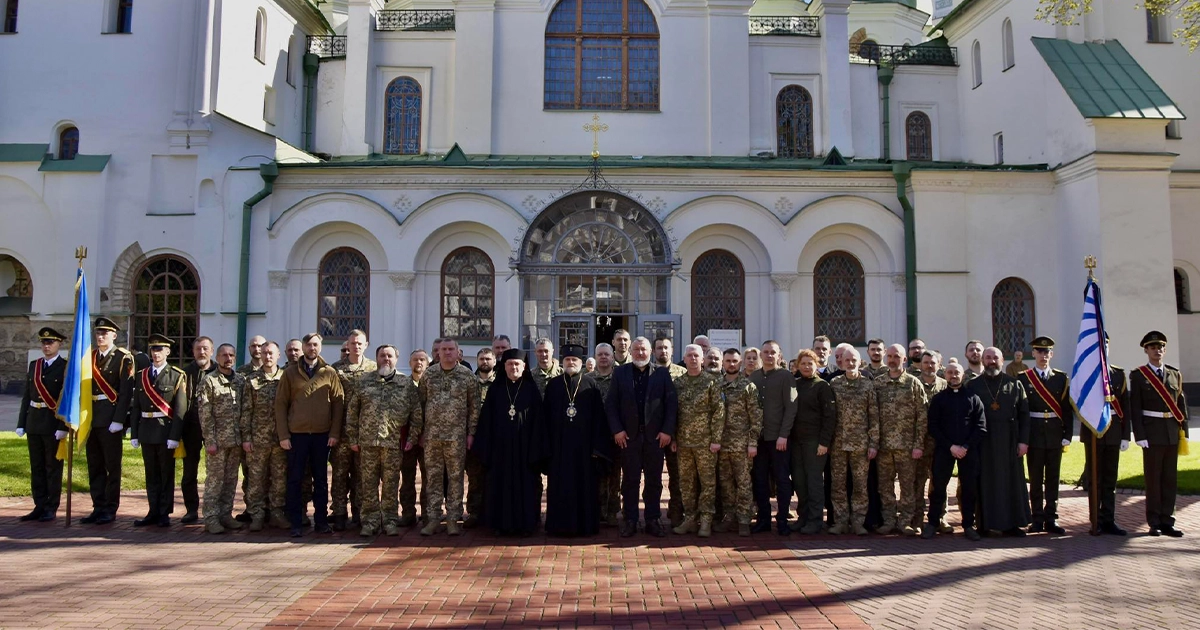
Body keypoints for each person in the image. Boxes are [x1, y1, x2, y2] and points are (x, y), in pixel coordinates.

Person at [605, 336, 678, 538]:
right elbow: (611, 404)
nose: (640, 353)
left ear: (651, 352)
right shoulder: (620, 373)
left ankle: (653, 519)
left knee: (654, 480)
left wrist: (667, 431)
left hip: (655, 437)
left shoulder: (662, 374)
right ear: (631, 350)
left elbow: (671, 405)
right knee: (630, 481)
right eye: (636, 349)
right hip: (629, 437)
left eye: (644, 349)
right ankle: (630, 520)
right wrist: (617, 430)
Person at [275, 332, 345, 537]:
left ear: (320, 347)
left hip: (322, 435)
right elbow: (280, 405)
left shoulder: (329, 372)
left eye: (315, 345)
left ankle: (321, 522)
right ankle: (296, 522)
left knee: (321, 481)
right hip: (296, 436)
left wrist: (334, 432)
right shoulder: (289, 373)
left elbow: (338, 404)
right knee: (295, 480)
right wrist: (283, 435)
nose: (311, 348)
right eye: (308, 345)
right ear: (303, 347)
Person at [347, 345, 420, 537]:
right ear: (376, 358)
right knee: (368, 485)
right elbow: (353, 413)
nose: (385, 359)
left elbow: (416, 415)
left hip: (393, 444)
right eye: (382, 355)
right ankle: (370, 522)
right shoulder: (363, 382)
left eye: (389, 356)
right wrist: (353, 438)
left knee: (391, 485)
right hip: (368, 443)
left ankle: (389, 521)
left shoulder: (406, 384)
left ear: (396, 359)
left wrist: (412, 438)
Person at [474, 348, 545, 536]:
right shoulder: (495, 390)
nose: (513, 367)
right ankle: (500, 524)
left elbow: (540, 423)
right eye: (510, 364)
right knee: (499, 485)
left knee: (526, 487)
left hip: (525, 451)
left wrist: (536, 450)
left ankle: (526, 524)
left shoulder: (531, 390)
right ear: (503, 367)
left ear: (524, 367)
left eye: (517, 364)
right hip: (501, 450)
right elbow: (486, 421)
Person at [545, 344, 613, 536]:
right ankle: (558, 526)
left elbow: (599, 420)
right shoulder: (554, 385)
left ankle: (586, 525)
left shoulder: (591, 386)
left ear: (581, 362)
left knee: (585, 487)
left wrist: (596, 449)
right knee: (559, 487)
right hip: (559, 449)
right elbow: (545, 418)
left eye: (574, 360)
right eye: (567, 360)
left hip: (585, 451)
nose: (571, 363)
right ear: (562, 362)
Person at [417, 338, 480, 536]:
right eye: (443, 349)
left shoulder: (467, 376)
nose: (447, 353)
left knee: (456, 479)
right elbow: (420, 406)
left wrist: (471, 433)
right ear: (438, 353)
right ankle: (434, 518)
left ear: (458, 352)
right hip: (432, 437)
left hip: (457, 437)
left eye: (451, 349)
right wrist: (420, 433)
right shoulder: (429, 375)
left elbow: (474, 408)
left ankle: (453, 519)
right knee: (433, 479)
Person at [967, 346, 1031, 536]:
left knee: (1011, 482)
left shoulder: (1015, 384)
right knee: (985, 482)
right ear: (983, 361)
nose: (991, 361)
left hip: (1009, 440)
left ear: (1002, 361)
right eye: (988, 358)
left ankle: (1012, 524)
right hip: (983, 441)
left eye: (995, 358)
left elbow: (1024, 414)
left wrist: (1023, 442)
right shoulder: (973, 385)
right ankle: (985, 525)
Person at [1131, 330, 1189, 537]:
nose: (1158, 350)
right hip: (1152, 433)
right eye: (1154, 347)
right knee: (1154, 479)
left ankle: (1168, 520)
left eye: (1161, 347)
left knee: (1170, 479)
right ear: (1146, 350)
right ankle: (1154, 521)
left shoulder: (1174, 374)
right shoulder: (1138, 376)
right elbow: (1135, 408)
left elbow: (1181, 404)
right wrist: (1140, 435)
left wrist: (1185, 432)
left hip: (1172, 432)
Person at [923, 362, 987, 541]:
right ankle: (932, 523)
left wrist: (965, 447)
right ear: (945, 375)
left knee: (969, 489)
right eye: (950, 372)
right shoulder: (939, 399)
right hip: (945, 449)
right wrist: (950, 446)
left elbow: (981, 427)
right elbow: (933, 426)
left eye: (956, 372)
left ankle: (968, 524)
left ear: (963, 375)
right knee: (938, 488)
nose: (953, 375)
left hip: (968, 450)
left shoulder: (973, 398)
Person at [130, 334, 188, 527]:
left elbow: (180, 408)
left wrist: (175, 436)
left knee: (165, 474)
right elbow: (136, 406)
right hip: (146, 430)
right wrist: (135, 433)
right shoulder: (142, 375)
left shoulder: (177, 375)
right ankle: (152, 510)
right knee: (151, 474)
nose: (156, 354)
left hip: (165, 431)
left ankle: (164, 512)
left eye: (160, 349)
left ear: (168, 352)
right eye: (153, 350)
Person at [667, 344, 725, 537]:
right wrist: (673, 437)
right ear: (684, 358)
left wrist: (716, 439)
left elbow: (719, 412)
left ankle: (706, 520)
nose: (693, 359)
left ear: (702, 359)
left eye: (696, 356)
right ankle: (690, 518)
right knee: (686, 483)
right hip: (683, 443)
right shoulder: (678, 382)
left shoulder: (712, 382)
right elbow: (672, 413)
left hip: (706, 443)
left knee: (708, 483)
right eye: (689, 355)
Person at [1017, 336, 1072, 535]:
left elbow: (1066, 408)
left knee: (1053, 478)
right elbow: (1021, 412)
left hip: (1055, 433)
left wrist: (1067, 433)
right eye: (1039, 351)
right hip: (1034, 434)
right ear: (1033, 354)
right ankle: (1037, 518)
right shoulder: (1024, 378)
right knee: (1035, 477)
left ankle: (1052, 518)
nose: (1043, 355)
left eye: (1046, 351)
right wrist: (1023, 437)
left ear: (1051, 354)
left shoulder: (1061, 378)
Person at [84, 317, 135, 525]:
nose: (101, 336)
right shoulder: (90, 357)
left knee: (111, 466)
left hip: (111, 418)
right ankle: (98, 506)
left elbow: (125, 392)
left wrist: (119, 419)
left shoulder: (123, 358)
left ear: (114, 335)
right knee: (94, 465)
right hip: (91, 416)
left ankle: (110, 508)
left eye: (105, 333)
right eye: (98, 333)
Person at [873, 344, 928, 536]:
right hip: (884, 447)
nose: (892, 359)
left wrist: (918, 444)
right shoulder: (878, 383)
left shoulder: (913, 383)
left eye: (896, 356)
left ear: (904, 359)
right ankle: (889, 521)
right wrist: (874, 443)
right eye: (889, 356)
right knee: (885, 487)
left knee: (908, 487)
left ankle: (905, 521)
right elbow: (872, 416)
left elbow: (922, 417)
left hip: (907, 447)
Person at [16, 327, 69, 523]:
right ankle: (39, 505)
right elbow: (27, 396)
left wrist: (63, 427)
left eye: (51, 343)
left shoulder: (64, 367)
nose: (47, 346)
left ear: (59, 344)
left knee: (52, 467)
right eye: (44, 343)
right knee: (36, 466)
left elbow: (66, 399)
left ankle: (51, 506)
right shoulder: (34, 365)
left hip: (52, 424)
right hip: (34, 422)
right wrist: (21, 422)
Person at [1080, 332, 1131, 536]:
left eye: (1106, 346)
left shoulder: (1118, 374)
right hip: (1093, 432)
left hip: (1114, 432)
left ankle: (1109, 519)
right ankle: (1095, 520)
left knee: (1110, 479)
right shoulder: (1084, 374)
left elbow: (1125, 406)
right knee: (1095, 479)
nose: (1103, 349)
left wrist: (1126, 435)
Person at [329, 329, 376, 531]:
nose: (356, 346)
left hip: (365, 430)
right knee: (339, 474)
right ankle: (339, 513)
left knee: (362, 475)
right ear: (347, 346)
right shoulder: (336, 369)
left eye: (359, 343)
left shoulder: (373, 369)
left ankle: (359, 512)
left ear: (366, 345)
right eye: (352, 343)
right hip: (341, 431)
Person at [713, 348, 762, 537]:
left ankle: (744, 520)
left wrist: (753, 443)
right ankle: (730, 516)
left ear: (740, 363)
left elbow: (756, 417)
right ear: (723, 363)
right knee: (725, 484)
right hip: (720, 444)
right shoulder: (716, 384)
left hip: (742, 445)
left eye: (734, 361)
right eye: (728, 361)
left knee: (744, 483)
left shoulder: (747, 386)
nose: (731, 364)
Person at [239, 341, 287, 531]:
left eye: (271, 353)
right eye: (265, 353)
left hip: (279, 440)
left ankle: (276, 513)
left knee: (279, 479)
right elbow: (246, 411)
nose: (267, 356)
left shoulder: (285, 379)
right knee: (256, 479)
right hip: (257, 440)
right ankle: (256, 514)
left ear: (278, 356)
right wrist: (246, 437)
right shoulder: (251, 380)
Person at [828, 347, 877, 536]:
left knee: (860, 485)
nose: (850, 363)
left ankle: (858, 521)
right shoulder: (835, 383)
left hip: (861, 445)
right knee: (838, 484)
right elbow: (830, 416)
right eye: (846, 360)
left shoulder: (867, 385)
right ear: (841, 362)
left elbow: (874, 416)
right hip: (838, 444)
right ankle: (840, 521)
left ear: (859, 362)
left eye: (853, 360)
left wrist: (873, 443)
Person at [749, 340, 795, 536]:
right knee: (759, 480)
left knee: (782, 480)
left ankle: (783, 519)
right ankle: (763, 519)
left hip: (779, 439)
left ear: (779, 356)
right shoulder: (754, 377)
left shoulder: (786, 376)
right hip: (759, 438)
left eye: (772, 352)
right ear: (761, 354)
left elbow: (791, 407)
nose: (769, 355)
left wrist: (784, 435)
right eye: (765, 352)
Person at [199, 343, 245, 534]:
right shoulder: (209, 381)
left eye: (231, 355)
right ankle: (211, 518)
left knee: (231, 481)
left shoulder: (240, 381)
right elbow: (205, 413)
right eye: (224, 355)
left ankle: (225, 514)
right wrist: (210, 440)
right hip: (217, 442)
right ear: (217, 358)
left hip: (235, 441)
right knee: (215, 482)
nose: (228, 358)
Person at [791, 349, 836, 534]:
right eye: (803, 363)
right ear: (798, 366)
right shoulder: (794, 385)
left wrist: (824, 443)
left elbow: (830, 417)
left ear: (816, 365)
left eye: (810, 363)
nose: (807, 366)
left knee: (814, 481)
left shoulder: (822, 386)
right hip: (796, 442)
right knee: (800, 481)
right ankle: (803, 517)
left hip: (815, 442)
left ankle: (815, 520)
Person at [179, 336, 216, 523]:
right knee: (189, 471)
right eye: (198, 349)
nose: (202, 352)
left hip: (215, 428)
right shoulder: (185, 373)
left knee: (216, 471)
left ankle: (216, 510)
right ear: (193, 352)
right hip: (191, 426)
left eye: (205, 349)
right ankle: (191, 509)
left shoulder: (220, 371)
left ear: (212, 350)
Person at [653, 336, 688, 527]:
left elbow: (682, 407)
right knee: (653, 476)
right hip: (653, 435)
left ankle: (676, 512)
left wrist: (674, 434)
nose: (663, 351)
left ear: (672, 350)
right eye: (659, 348)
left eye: (666, 348)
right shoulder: (648, 373)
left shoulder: (682, 374)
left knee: (677, 476)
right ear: (654, 352)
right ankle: (653, 513)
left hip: (677, 435)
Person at [914, 350, 948, 533]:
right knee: (918, 483)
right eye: (925, 362)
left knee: (939, 482)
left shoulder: (945, 386)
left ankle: (940, 517)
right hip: (919, 443)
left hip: (940, 443)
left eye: (932, 363)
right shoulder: (913, 383)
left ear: (939, 365)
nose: (928, 366)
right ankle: (917, 519)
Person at [465, 347, 497, 529]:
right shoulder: (469, 382)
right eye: (482, 359)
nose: (485, 362)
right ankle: (474, 512)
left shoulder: (500, 382)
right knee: (475, 477)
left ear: (494, 361)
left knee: (492, 476)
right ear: (477, 361)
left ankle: (491, 511)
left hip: (493, 438)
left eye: (488, 359)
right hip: (473, 436)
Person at [399, 348, 431, 526]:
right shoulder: (403, 384)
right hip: (408, 440)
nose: (418, 363)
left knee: (429, 479)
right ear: (410, 363)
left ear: (427, 363)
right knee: (407, 478)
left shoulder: (433, 384)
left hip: (428, 440)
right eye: (415, 360)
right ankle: (408, 514)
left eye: (422, 360)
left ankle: (427, 515)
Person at [592, 343, 621, 526]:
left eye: (607, 354)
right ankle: (597, 510)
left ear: (613, 357)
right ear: (595, 357)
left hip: (617, 434)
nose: (603, 357)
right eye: (600, 354)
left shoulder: (621, 377)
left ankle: (612, 511)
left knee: (615, 475)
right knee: (597, 475)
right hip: (595, 435)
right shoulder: (586, 379)